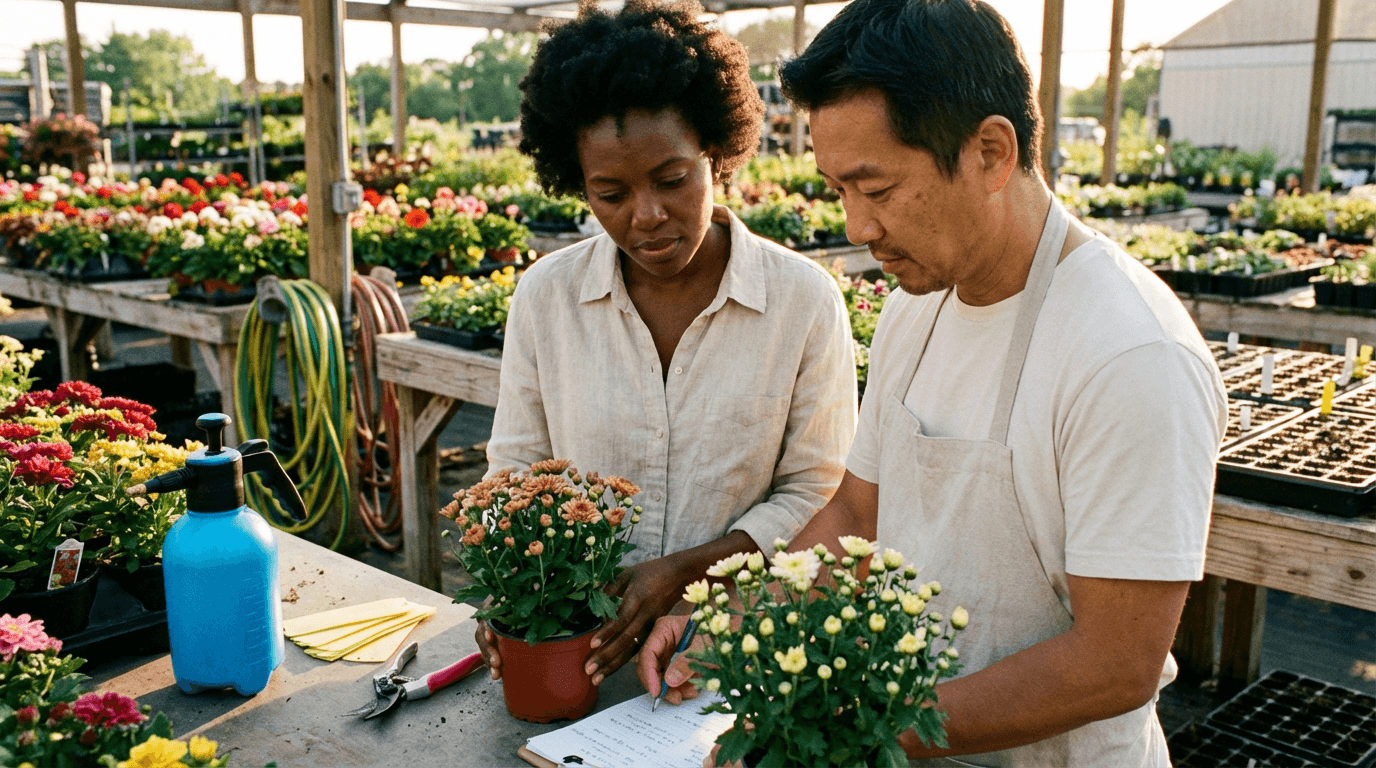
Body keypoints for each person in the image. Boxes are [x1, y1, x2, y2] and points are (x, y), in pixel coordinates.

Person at [639, 0, 1225, 765]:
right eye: (838, 191)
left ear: (990, 152)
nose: (856, 228)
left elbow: (1114, 664)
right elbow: (860, 509)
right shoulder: (918, 307)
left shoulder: (1129, 355)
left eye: (877, 190)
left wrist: (847, 733)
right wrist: (734, 618)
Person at [477, 0, 858, 689]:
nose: (646, 215)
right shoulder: (547, 297)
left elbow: (818, 492)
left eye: (672, 180)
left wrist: (687, 572)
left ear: (716, 152)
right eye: (610, 192)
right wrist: (507, 592)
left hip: (738, 653)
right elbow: (515, 473)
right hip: (579, 654)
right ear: (577, 182)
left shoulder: (802, 302)